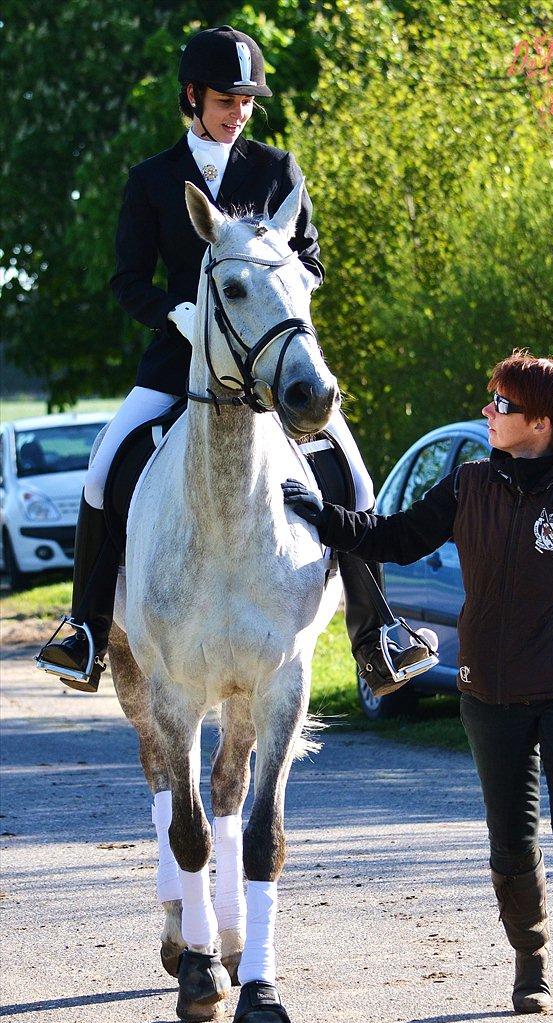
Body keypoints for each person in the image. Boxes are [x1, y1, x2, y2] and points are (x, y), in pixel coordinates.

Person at [283, 351, 553, 1023]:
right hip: (488, 693)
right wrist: (325, 516)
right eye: (491, 398)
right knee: (512, 843)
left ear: (543, 423)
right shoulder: (467, 485)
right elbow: (395, 538)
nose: (488, 412)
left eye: (501, 404)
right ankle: (531, 960)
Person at [37, 24, 430, 695]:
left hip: (272, 366)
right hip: (179, 365)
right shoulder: (153, 181)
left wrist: (279, 297)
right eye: (226, 101)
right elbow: (127, 280)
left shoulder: (277, 171)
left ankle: (377, 635)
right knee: (102, 472)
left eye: (247, 102)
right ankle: (86, 631)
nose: (239, 113)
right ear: (193, 97)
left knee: (356, 480)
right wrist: (178, 314)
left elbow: (309, 259)